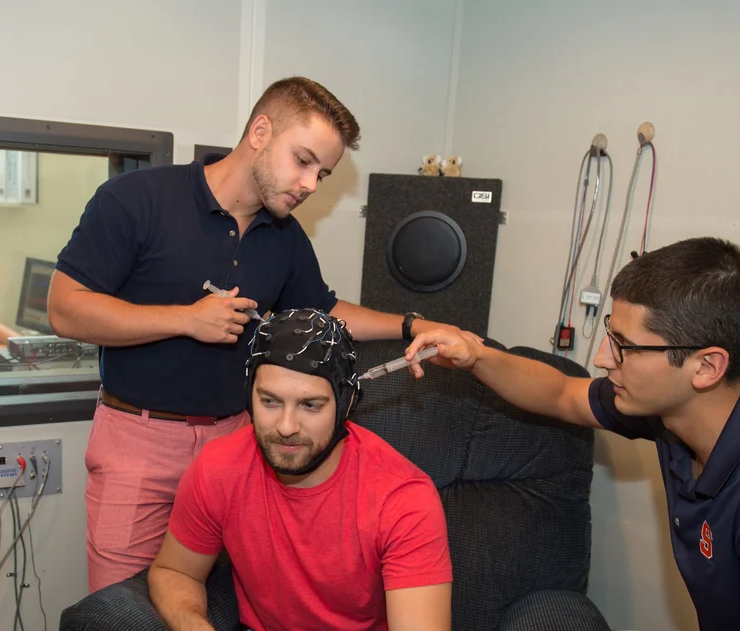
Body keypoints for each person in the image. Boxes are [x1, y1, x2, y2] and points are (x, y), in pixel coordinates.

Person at [49, 75, 462, 592]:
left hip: (239, 441)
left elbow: (328, 312)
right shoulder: (136, 199)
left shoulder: (285, 236)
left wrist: (412, 325)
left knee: (231, 595)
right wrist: (186, 318)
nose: (311, 184)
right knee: (119, 607)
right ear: (260, 132)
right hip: (139, 440)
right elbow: (65, 310)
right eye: (304, 160)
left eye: (324, 173)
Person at [404, 237, 740, 631]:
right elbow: (561, 394)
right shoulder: (678, 413)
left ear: (706, 366)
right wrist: (477, 355)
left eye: (623, 346)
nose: (601, 358)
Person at [148, 308, 452, 631]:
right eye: (270, 401)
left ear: (345, 404)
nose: (286, 426)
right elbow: (174, 572)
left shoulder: (404, 500)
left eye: (310, 405)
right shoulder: (219, 468)